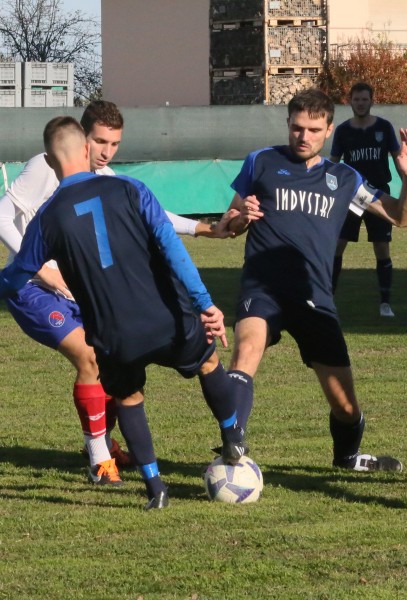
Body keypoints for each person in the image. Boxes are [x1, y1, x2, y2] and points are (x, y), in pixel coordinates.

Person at [0, 116, 248, 510]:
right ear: (86, 150)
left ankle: (155, 488)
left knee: (129, 397)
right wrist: (205, 303)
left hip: (114, 334)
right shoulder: (130, 187)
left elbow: (16, 278)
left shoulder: (47, 218)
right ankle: (232, 434)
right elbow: (171, 249)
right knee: (208, 363)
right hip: (164, 315)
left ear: (49, 160)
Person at [222, 88, 407, 474]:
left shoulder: (345, 178)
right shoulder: (260, 162)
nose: (303, 136)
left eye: (314, 129)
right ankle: (233, 440)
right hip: (263, 286)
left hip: (315, 296)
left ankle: (347, 457)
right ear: (288, 125)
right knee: (246, 349)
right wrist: (241, 217)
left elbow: (403, 217)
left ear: (329, 130)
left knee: (346, 407)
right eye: (297, 128)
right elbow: (228, 223)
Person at [330, 82, 402, 318]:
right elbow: (334, 163)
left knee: (382, 248)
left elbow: (398, 160)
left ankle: (385, 303)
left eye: (364, 99)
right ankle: (328, 301)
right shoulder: (342, 130)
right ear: (349, 101)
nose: (360, 103)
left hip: (379, 195)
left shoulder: (384, 127)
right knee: (337, 246)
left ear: (372, 101)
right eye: (356, 99)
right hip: (351, 195)